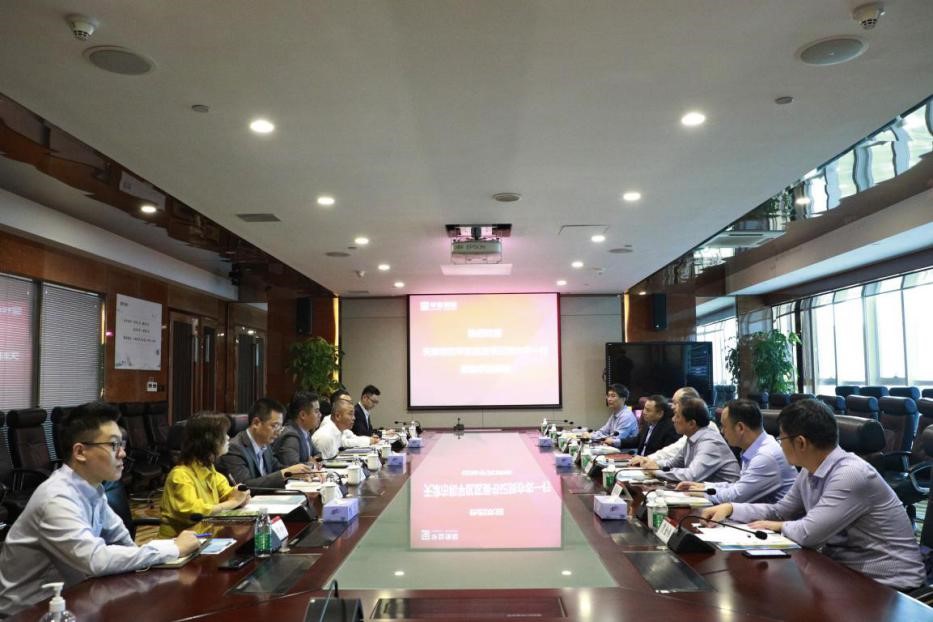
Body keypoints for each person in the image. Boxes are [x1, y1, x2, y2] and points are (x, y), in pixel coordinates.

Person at [702, 399, 926, 591]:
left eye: (781, 439)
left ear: (800, 442)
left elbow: (809, 533)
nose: (779, 445)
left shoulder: (850, 475)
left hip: (889, 586)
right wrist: (732, 508)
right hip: (843, 573)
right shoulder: (809, 471)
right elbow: (780, 511)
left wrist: (777, 526)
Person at [0, 401, 200, 616]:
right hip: (30, 614)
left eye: (122, 444)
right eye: (114, 445)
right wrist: (173, 548)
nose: (122, 453)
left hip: (75, 599)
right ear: (80, 452)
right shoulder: (56, 499)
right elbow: (96, 559)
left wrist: (163, 551)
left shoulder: (94, 490)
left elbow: (123, 542)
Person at [676, 399, 796, 504]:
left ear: (740, 428)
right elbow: (739, 486)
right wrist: (705, 486)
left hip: (776, 521)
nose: (722, 431)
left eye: (724, 426)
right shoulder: (753, 449)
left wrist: (703, 492)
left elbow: (736, 497)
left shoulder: (765, 456)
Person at [159, 414, 252, 537]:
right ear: (208, 440)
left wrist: (241, 497)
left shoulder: (210, 471)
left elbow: (229, 494)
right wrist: (233, 502)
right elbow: (193, 513)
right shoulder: (180, 475)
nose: (228, 437)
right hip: (177, 542)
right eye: (224, 434)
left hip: (204, 537)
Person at [216, 397, 313, 488]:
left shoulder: (265, 446)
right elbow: (244, 486)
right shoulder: (234, 448)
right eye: (275, 426)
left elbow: (277, 468)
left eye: (280, 427)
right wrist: (286, 473)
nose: (278, 432)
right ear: (256, 423)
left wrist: (300, 472)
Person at [641, 398, 740, 483]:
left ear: (692, 423)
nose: (673, 419)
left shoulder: (710, 442)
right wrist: (653, 463)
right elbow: (672, 464)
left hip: (722, 496)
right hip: (704, 492)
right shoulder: (691, 438)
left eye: (677, 416)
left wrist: (656, 471)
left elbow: (691, 476)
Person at [630, 387, 702, 466]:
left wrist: (649, 460)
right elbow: (671, 455)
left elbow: (693, 472)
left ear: (690, 404)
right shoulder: (689, 433)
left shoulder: (707, 436)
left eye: (675, 403)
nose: (672, 407)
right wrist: (649, 461)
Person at [313, 398, 379, 459]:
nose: (354, 418)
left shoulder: (339, 430)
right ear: (337, 416)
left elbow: (353, 438)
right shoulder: (325, 436)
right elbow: (321, 466)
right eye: (350, 414)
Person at [273, 391, 322, 465]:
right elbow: (293, 468)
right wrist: (311, 464)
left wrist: (315, 460)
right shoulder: (290, 436)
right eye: (316, 411)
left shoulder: (305, 432)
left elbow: (318, 454)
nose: (320, 415)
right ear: (303, 415)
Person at [590, 384, 639, 449]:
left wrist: (593, 436)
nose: (609, 399)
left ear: (623, 399)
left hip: (625, 452)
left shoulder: (627, 416)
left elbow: (615, 439)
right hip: (614, 449)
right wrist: (592, 435)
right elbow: (603, 431)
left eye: (613, 396)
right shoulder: (615, 414)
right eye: (608, 396)